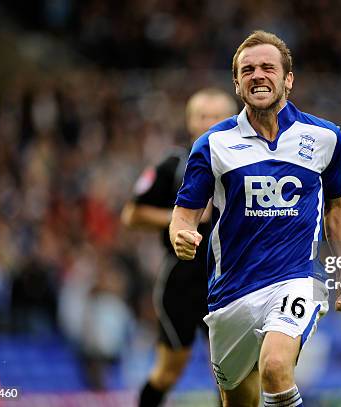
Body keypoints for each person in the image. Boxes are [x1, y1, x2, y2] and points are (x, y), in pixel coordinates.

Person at [169, 31, 341, 407]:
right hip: (231, 293)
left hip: (296, 278)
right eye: (248, 69)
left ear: (288, 79)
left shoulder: (324, 137)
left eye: (268, 68)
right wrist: (181, 234)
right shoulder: (212, 144)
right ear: (237, 84)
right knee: (239, 401)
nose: (258, 75)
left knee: (275, 367)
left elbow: (338, 205)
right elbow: (184, 215)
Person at [121, 88, 237, 406]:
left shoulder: (250, 164)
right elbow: (132, 214)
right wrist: (182, 219)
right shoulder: (174, 164)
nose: (210, 123)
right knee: (169, 371)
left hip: (232, 279)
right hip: (184, 279)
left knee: (231, 374)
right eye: (202, 116)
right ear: (189, 122)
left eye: (217, 116)